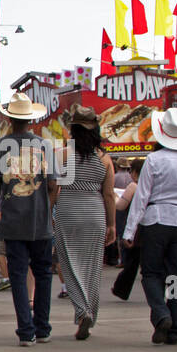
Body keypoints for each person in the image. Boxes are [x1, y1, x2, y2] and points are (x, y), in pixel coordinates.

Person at [123, 107, 177, 344]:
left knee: (151, 273)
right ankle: (174, 327)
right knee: (175, 277)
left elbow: (141, 197)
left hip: (156, 221)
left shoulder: (154, 160)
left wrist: (130, 230)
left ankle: (161, 313)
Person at [0, 91, 58, 346]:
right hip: (41, 222)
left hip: (12, 221)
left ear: (9, 119)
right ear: (30, 119)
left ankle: (25, 330)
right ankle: (42, 328)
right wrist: (45, 208)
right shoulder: (45, 145)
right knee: (43, 274)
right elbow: (54, 185)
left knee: (18, 276)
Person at [53, 106, 116, 340]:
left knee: (69, 265)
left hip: (68, 209)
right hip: (95, 213)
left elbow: (54, 188)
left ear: (73, 129)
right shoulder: (104, 158)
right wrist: (112, 225)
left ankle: (82, 310)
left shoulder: (63, 154)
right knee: (91, 269)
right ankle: (89, 309)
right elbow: (109, 195)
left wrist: (49, 211)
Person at [110, 157, 144, 301]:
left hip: (134, 229)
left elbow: (120, 206)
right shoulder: (153, 185)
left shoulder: (134, 186)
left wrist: (115, 197)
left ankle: (121, 289)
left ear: (135, 172)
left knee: (131, 262)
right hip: (151, 227)